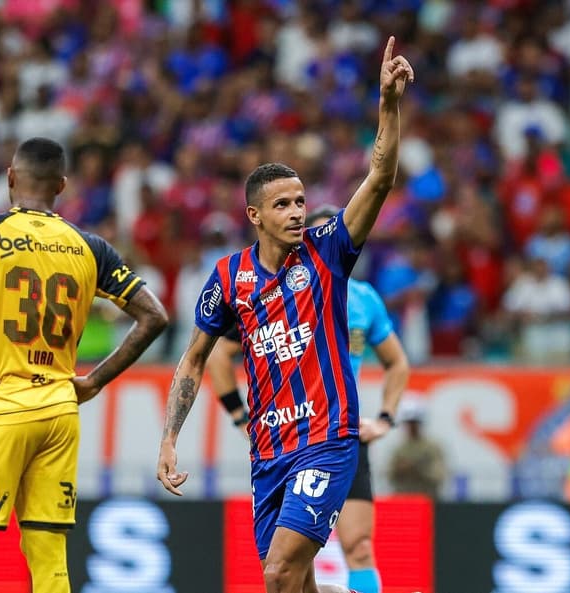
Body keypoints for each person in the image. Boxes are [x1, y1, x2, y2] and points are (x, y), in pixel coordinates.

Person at [157, 37, 414, 593]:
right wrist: (170, 437)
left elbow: (379, 178)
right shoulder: (229, 277)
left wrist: (388, 106)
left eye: (300, 201)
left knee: (277, 573)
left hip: (328, 439)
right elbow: (195, 359)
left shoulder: (328, 252)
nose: (297, 212)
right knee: (294, 585)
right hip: (270, 450)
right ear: (254, 215)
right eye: (283, 205)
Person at [0, 137, 168, 593]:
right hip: (59, 412)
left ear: (10, 177)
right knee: (48, 555)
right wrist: (94, 381)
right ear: (62, 185)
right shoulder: (90, 246)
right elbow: (154, 316)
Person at [206, 204, 410, 593]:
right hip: (289, 434)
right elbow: (218, 356)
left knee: (359, 546)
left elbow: (397, 362)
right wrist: (239, 416)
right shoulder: (276, 294)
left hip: (340, 431)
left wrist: (385, 418)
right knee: (293, 571)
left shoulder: (363, 298)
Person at [387, 396, 447, 499]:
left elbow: (439, 475)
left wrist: (417, 467)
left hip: (426, 499)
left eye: (414, 422)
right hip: (404, 500)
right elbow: (389, 476)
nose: (411, 426)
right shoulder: (399, 450)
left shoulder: (432, 448)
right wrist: (400, 469)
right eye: (408, 422)